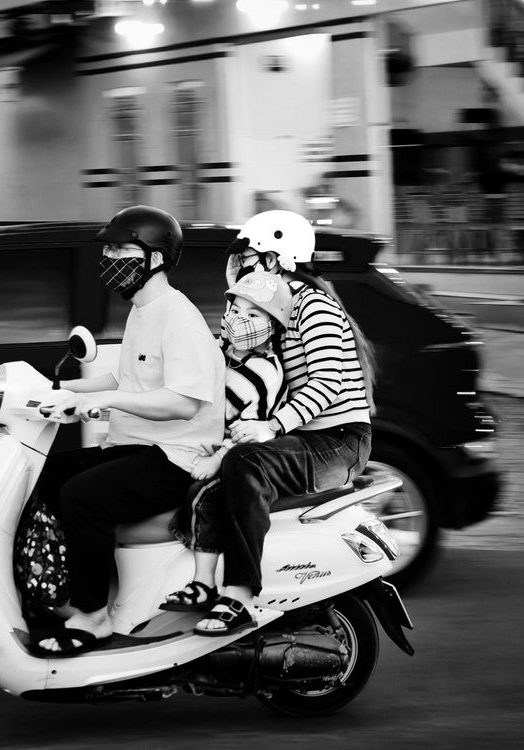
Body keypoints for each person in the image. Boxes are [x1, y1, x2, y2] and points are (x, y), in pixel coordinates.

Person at [33, 205, 226, 656]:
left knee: (82, 496)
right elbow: (127, 380)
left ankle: (94, 616)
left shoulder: (178, 318)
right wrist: (55, 390)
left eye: (122, 249)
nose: (109, 257)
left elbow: (183, 401)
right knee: (44, 476)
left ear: (155, 259)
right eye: (110, 249)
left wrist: (98, 402)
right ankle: (57, 592)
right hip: (135, 445)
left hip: (176, 457)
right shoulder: (143, 310)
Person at [193, 209, 374, 637]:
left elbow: (329, 380)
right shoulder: (269, 309)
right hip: (307, 438)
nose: (243, 270)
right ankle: (199, 583)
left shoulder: (313, 305)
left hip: (339, 441)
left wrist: (270, 428)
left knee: (245, 463)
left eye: (249, 259)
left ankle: (238, 597)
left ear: (274, 260)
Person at [159, 270, 290, 613]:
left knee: (203, 496)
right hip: (204, 442)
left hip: (240, 453)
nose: (238, 320)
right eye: (235, 310)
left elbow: (245, 432)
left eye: (253, 314)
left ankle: (204, 582)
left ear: (273, 325)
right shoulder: (223, 349)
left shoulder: (263, 373)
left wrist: (217, 459)